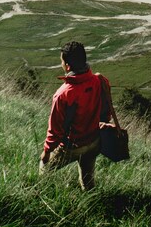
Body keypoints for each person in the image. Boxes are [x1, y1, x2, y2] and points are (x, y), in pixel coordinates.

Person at [39, 40, 112, 191]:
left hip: (72, 146)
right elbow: (107, 111)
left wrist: (46, 152)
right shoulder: (100, 81)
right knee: (88, 180)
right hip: (94, 141)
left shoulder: (63, 94)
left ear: (67, 66)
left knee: (44, 171)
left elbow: (55, 130)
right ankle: (91, 200)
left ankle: (40, 193)